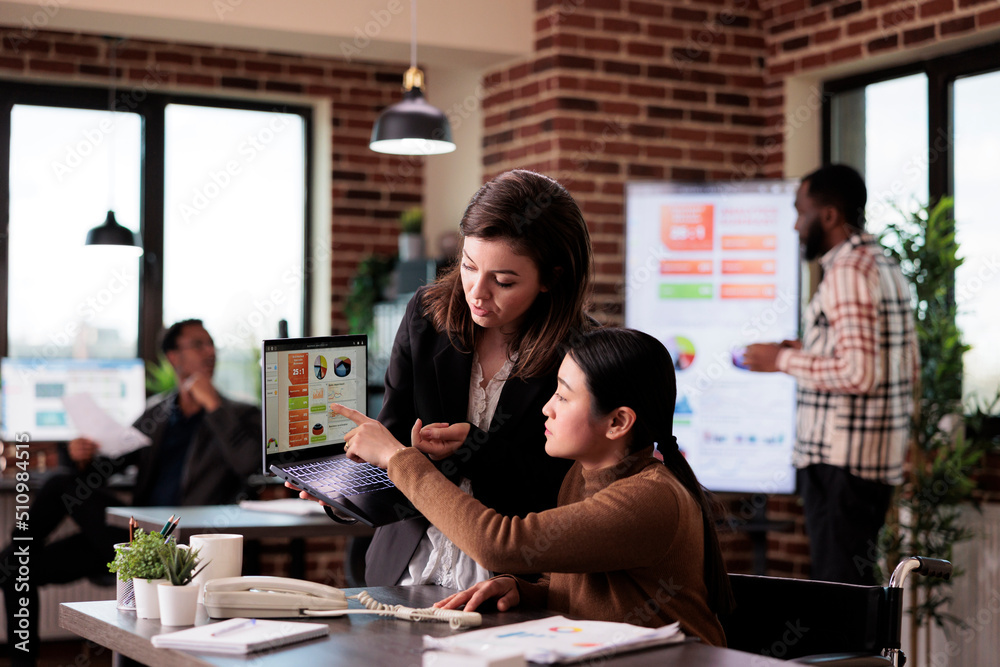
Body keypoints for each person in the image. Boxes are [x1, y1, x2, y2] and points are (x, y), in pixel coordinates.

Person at [310, 328, 732, 645]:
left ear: (618, 422)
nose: (547, 408)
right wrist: (525, 589)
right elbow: (596, 591)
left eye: (564, 398)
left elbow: (499, 544)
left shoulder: (651, 497)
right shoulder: (579, 478)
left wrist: (398, 458)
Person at [359, 170, 595, 588]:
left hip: (516, 581)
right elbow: (393, 443)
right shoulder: (426, 316)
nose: (476, 293)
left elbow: (568, 490)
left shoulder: (582, 352)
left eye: (504, 281)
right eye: (469, 266)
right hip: (405, 569)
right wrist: (348, 494)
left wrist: (475, 449)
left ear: (552, 278)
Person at [0, 319, 261, 664]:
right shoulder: (158, 412)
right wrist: (78, 455)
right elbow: (108, 468)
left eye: (211, 344)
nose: (210, 352)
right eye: (198, 344)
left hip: (179, 543)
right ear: (174, 358)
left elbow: (250, 466)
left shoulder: (240, 414)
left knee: (54, 492)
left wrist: (214, 406)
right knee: (16, 564)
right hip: (134, 538)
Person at [743, 164, 919, 585]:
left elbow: (859, 373)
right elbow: (897, 361)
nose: (795, 225)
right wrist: (806, 350)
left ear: (829, 215)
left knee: (840, 593)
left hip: (840, 462)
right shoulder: (883, 264)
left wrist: (780, 362)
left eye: (800, 212)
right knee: (854, 590)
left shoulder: (846, 272)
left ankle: (856, 655)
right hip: (869, 458)